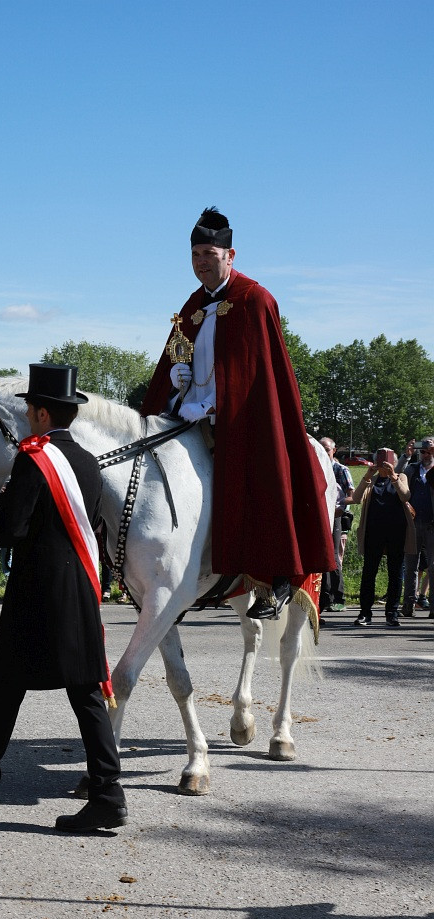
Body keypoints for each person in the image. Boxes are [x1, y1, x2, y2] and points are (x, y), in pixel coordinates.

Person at [0, 363, 127, 833]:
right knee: (81, 693)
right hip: (78, 587)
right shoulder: (86, 461)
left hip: (36, 592)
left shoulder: (33, 459)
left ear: (40, 413)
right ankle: (99, 792)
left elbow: (11, 531)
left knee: (8, 688)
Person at [140, 207, 334, 619]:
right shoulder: (191, 306)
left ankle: (275, 578)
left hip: (242, 418)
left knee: (265, 474)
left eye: (209, 253)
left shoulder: (255, 300)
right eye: (195, 254)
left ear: (231, 255)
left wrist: (217, 401)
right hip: (190, 414)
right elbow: (177, 357)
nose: (201, 262)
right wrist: (178, 378)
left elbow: (258, 374)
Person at [351, 449, 415, 628]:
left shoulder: (401, 476)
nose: (384, 463)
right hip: (374, 532)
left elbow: (405, 496)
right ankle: (365, 613)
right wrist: (367, 475)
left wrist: (393, 476)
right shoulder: (372, 480)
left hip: (397, 532)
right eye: (380, 460)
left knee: (396, 573)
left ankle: (392, 613)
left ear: (394, 462)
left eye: (386, 460)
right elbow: (356, 498)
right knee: (369, 573)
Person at [319, 438, 354, 613]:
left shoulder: (340, 469)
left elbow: (352, 496)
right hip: (318, 517)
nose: (324, 453)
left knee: (333, 557)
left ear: (334, 451)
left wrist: (338, 507)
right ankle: (323, 597)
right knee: (319, 556)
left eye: (327, 449)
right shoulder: (315, 468)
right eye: (321, 449)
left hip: (335, 516)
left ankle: (338, 597)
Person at [402, 437, 434, 618]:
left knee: (433, 566)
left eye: (430, 451)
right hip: (413, 524)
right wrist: (406, 456)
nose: (426, 454)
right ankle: (408, 604)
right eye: (423, 451)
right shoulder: (413, 469)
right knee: (411, 566)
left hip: (432, 524)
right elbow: (396, 475)